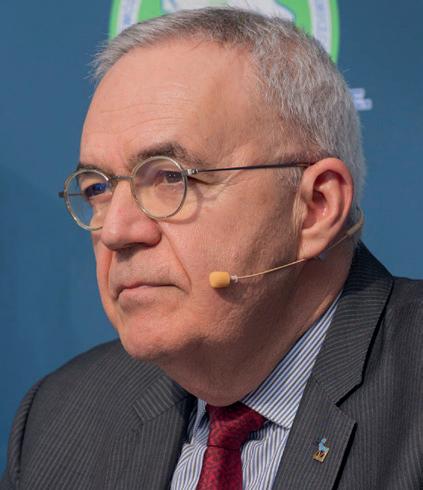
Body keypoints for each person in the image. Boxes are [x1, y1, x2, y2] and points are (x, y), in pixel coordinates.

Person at [1, 7, 422, 490]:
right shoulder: (59, 420)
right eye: (97, 188)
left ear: (316, 206)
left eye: (169, 177)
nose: (115, 231)